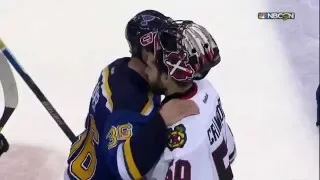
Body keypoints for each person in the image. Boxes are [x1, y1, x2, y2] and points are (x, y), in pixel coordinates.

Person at [65, 10, 199, 180]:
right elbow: (123, 165)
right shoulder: (130, 101)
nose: (167, 50)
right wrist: (162, 120)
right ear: (142, 51)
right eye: (159, 46)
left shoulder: (119, 67)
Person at [140, 20, 236, 179]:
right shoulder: (207, 90)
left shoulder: (182, 145)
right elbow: (230, 152)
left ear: (166, 77)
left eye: (153, 61)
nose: (147, 63)